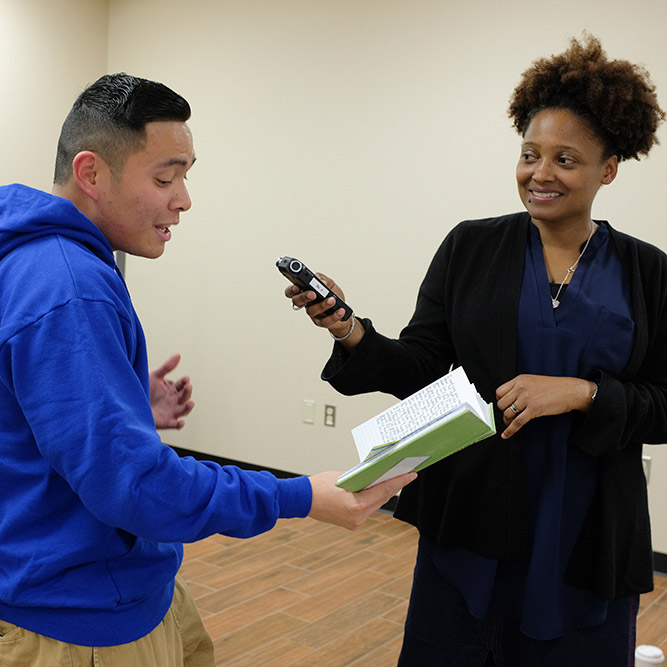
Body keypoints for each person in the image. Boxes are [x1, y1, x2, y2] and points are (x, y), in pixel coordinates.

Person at [0, 73, 416, 666]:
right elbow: (135, 487)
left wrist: (122, 404)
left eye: (186, 176)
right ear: (91, 173)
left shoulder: (31, 260)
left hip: (103, 587)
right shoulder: (71, 288)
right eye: (165, 177)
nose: (184, 198)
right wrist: (299, 496)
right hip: (77, 620)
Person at [285, 35, 667, 666]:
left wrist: (583, 394)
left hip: (587, 531)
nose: (540, 173)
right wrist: (349, 329)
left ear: (608, 168)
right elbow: (425, 366)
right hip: (472, 517)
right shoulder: (470, 247)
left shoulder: (647, 273)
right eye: (529, 154)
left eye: (565, 159)